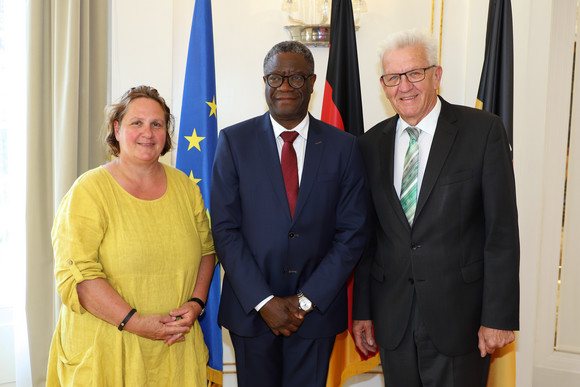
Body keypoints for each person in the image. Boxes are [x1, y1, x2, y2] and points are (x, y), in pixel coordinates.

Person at [352, 30, 520, 386]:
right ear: (383, 85)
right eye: (393, 78)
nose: (405, 86)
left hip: (462, 320)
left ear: (436, 75)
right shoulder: (369, 145)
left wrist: (499, 316)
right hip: (393, 319)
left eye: (415, 73)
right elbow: (369, 240)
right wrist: (363, 312)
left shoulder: (482, 131)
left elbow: (501, 233)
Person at [210, 41, 368, 387]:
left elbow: (352, 233)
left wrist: (304, 300)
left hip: (315, 314)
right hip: (251, 312)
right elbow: (224, 230)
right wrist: (265, 301)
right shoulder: (234, 142)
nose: (284, 87)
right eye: (275, 78)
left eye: (295, 78)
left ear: (312, 82)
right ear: (264, 82)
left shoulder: (344, 147)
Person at [47, 85, 216, 386]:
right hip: (107, 353)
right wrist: (134, 322)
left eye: (157, 124)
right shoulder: (89, 191)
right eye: (136, 123)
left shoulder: (186, 189)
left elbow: (207, 250)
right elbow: (78, 276)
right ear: (117, 128)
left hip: (174, 353)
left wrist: (196, 303)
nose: (147, 133)